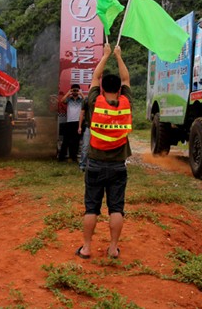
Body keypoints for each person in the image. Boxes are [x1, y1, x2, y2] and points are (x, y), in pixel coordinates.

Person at [75, 43, 131, 260]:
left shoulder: (95, 102)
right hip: (118, 166)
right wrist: (118, 56)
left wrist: (106, 55)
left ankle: (86, 248)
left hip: (95, 164)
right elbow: (126, 79)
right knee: (116, 208)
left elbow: (94, 78)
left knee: (91, 208)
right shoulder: (125, 103)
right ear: (118, 90)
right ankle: (113, 248)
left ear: (101, 87)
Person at [58, 84, 84, 162]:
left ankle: (74, 157)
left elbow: (87, 101)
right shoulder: (69, 99)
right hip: (69, 122)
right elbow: (62, 101)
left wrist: (81, 94)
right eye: (74, 90)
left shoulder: (81, 100)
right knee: (65, 141)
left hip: (78, 122)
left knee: (76, 141)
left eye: (76, 90)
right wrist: (68, 93)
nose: (75, 92)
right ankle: (62, 157)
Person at [78, 97, 90, 171]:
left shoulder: (101, 99)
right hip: (88, 126)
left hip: (99, 127)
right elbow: (82, 113)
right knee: (85, 146)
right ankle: (82, 164)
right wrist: (79, 126)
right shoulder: (86, 100)